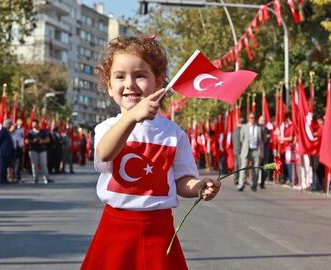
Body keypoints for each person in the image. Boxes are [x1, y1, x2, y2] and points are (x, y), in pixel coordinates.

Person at [80, 36, 221, 270]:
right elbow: (104, 154)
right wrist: (132, 117)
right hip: (115, 227)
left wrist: (198, 187)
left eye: (140, 75)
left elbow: (182, 180)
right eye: (120, 76)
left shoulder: (174, 134)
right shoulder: (107, 128)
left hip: (159, 229)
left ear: (158, 83)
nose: (130, 84)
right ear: (109, 85)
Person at [237, 112, 264, 192]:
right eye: (251, 118)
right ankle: (241, 184)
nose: (253, 119)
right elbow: (241, 139)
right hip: (246, 150)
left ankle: (254, 185)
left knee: (256, 169)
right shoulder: (244, 127)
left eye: (254, 118)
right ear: (248, 119)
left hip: (256, 150)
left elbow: (262, 138)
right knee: (244, 167)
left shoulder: (259, 127)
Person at [26, 119, 54, 184]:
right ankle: (35, 178)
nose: (34, 125)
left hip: (42, 150)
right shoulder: (30, 132)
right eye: (33, 124)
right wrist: (33, 141)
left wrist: (42, 141)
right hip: (33, 150)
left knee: (43, 164)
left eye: (35, 124)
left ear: (38, 124)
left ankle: (46, 178)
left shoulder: (43, 131)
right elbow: (27, 141)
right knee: (34, 165)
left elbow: (48, 139)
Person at [0, 119, 14, 184]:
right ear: (7, 124)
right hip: (3, 151)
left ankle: (5, 179)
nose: (11, 126)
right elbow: (0, 141)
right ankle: (2, 179)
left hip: (7, 151)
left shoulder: (6, 131)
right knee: (3, 166)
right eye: (10, 124)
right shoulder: (3, 130)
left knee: (5, 166)